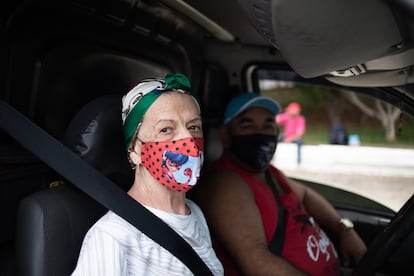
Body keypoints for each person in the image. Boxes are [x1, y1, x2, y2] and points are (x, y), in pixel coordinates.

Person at [193, 93, 367, 275]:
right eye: (247, 124)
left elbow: (306, 194)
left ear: (276, 132)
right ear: (225, 135)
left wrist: (344, 229)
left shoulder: (270, 173)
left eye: (268, 124)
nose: (259, 132)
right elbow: (257, 263)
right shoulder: (224, 183)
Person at [72, 73, 224, 275]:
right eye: (166, 130)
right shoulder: (112, 235)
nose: (188, 138)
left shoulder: (194, 213)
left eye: (194, 127)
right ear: (135, 150)